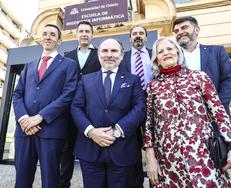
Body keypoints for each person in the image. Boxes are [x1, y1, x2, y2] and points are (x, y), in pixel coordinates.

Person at [144, 37, 231, 187]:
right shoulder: (153, 87)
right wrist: (150, 158)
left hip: (203, 153)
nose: (166, 53)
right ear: (157, 59)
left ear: (177, 51)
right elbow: (149, 125)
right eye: (160, 51)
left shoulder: (198, 77)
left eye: (169, 49)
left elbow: (219, 113)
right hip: (168, 159)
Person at [72, 38, 146, 188]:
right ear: (99, 55)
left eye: (114, 51)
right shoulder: (85, 80)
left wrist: (117, 130)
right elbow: (76, 107)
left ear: (121, 55)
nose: (109, 55)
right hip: (90, 150)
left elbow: (140, 107)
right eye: (105, 51)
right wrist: (91, 131)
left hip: (122, 150)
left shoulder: (133, 80)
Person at [12, 24, 78, 188]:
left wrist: (40, 117)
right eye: (45, 34)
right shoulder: (29, 65)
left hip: (50, 130)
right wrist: (24, 119)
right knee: (21, 179)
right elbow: (17, 94)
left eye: (53, 34)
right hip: (24, 130)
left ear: (59, 40)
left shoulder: (69, 65)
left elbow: (68, 95)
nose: (48, 37)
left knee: (50, 180)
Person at [61, 21, 101, 188]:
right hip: (69, 110)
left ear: (92, 34)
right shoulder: (66, 55)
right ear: (76, 34)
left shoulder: (100, 54)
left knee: (91, 153)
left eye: (87, 31)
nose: (84, 34)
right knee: (65, 154)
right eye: (81, 31)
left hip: (91, 109)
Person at [173, 16, 231, 116]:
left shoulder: (217, 52)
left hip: (216, 117)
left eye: (184, 28)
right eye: (176, 31)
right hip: (185, 120)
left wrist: (217, 108)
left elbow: (228, 80)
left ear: (197, 30)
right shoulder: (172, 58)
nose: (179, 32)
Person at [120, 25, 153, 188]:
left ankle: (158, 182)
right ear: (130, 38)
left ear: (146, 38)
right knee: (133, 149)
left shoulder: (156, 54)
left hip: (155, 109)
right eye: (134, 34)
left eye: (141, 33)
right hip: (130, 109)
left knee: (156, 147)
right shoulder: (123, 58)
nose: (138, 36)